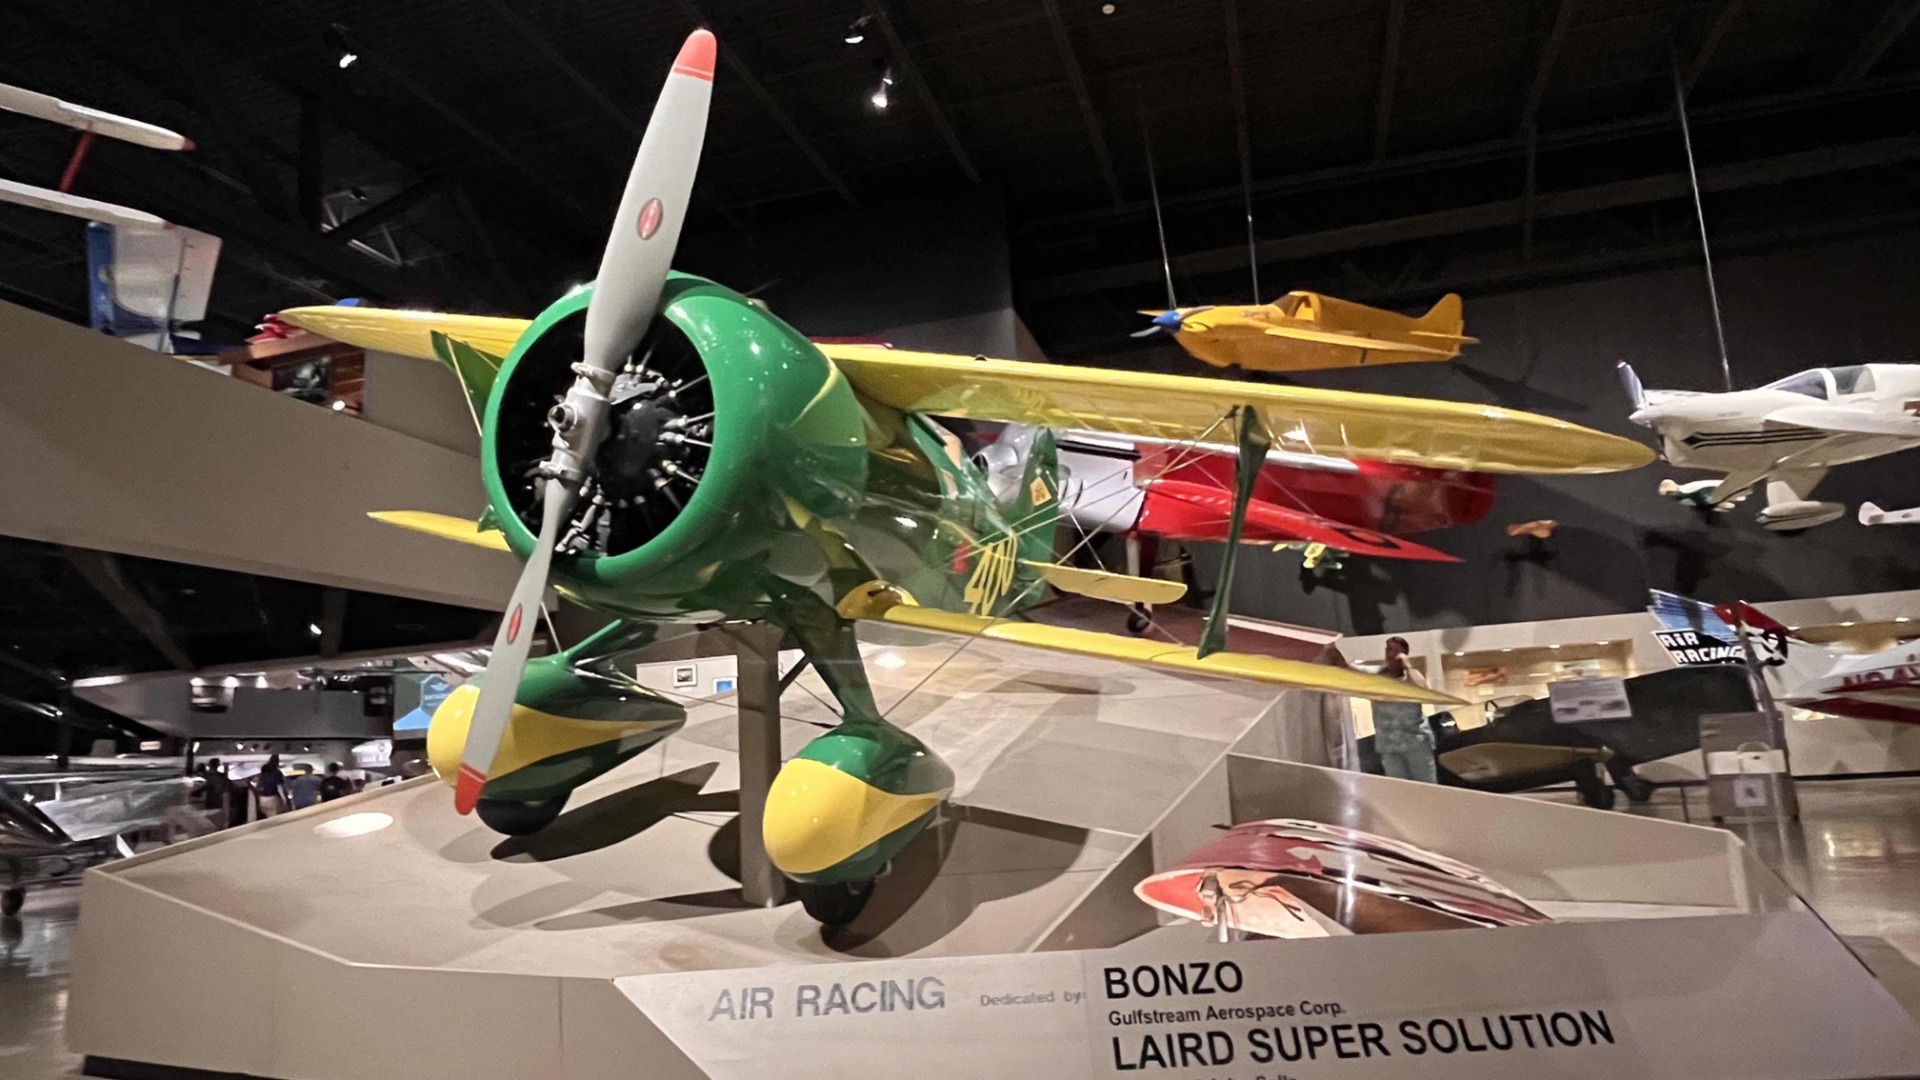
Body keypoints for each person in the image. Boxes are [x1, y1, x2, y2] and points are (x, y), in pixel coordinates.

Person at [1369, 637, 1439, 784]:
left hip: (1416, 743)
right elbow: (1349, 670)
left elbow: (1424, 690)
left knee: (1426, 788)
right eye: (1388, 649)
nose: (1391, 654)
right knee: (1399, 789)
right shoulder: (1376, 675)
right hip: (1388, 745)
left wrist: (1408, 666)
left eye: (1396, 650)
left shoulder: (1411, 677)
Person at [254, 754, 286, 818]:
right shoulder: (277, 773)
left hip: (262, 799)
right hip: (272, 798)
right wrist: (284, 798)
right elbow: (279, 787)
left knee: (268, 817)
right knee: (274, 817)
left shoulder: (264, 772)